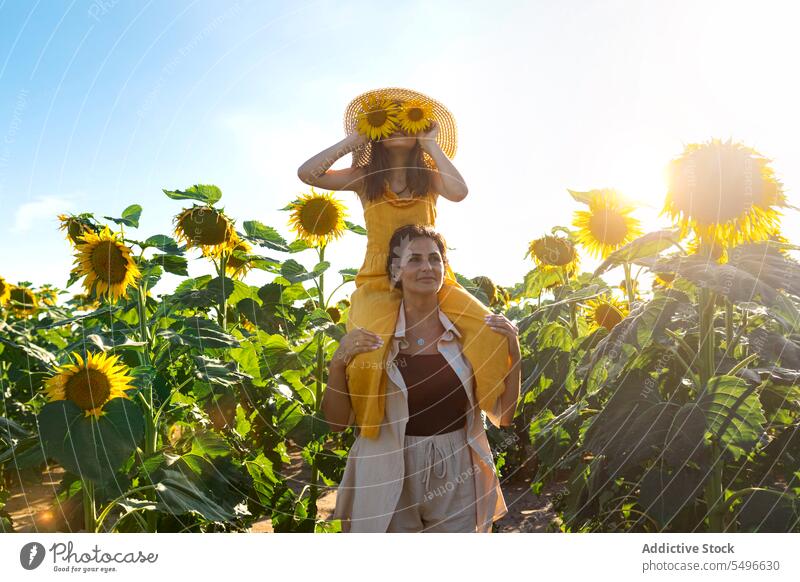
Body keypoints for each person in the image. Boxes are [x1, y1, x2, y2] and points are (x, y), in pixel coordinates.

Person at [298, 87, 511, 440]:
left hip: (433, 280)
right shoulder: (366, 178)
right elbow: (308, 174)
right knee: (367, 351)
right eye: (388, 120)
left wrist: (431, 145)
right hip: (378, 281)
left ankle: (490, 411)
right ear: (377, 133)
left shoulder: (428, 179)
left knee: (489, 331)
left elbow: (459, 192)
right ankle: (369, 430)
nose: (398, 126)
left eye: (407, 118)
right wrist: (354, 141)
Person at [322, 224, 521, 532]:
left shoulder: (470, 336)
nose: (427, 267)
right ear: (395, 271)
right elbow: (337, 422)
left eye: (434, 258)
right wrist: (338, 362)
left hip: (456, 472)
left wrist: (515, 352)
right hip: (386, 465)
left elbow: (504, 416)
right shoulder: (372, 339)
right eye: (414, 259)